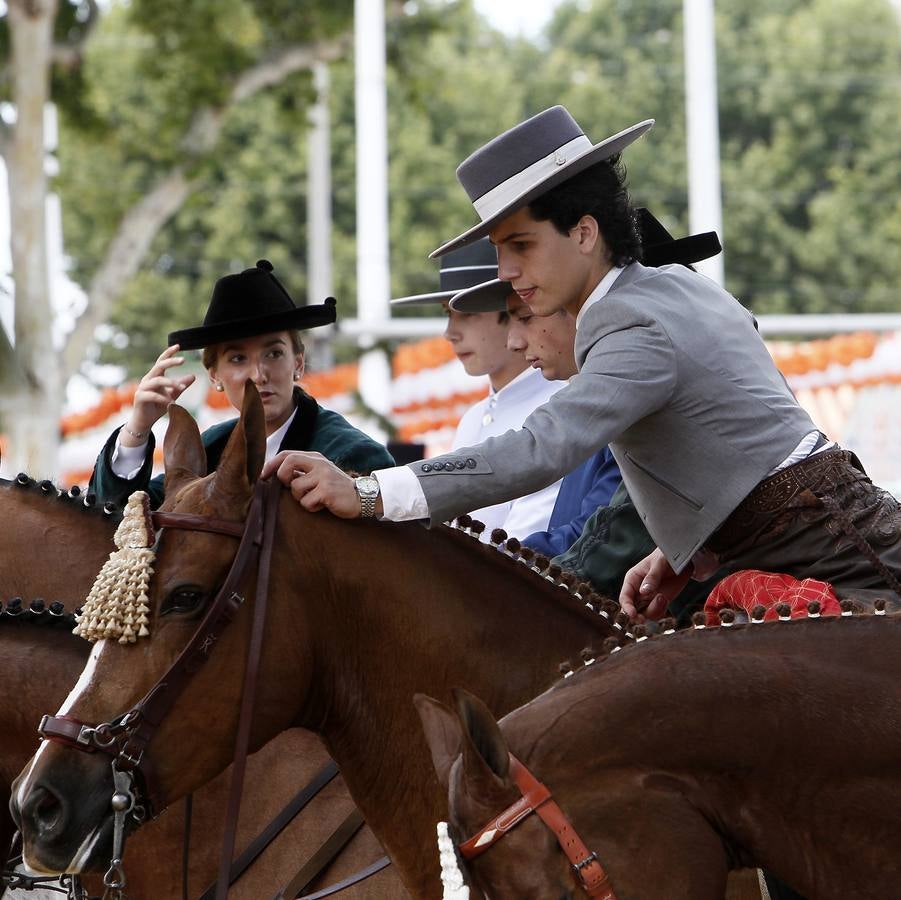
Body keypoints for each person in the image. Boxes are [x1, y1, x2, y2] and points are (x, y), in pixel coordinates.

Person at [264, 106, 901, 624]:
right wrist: (692, 545)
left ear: (586, 233)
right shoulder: (672, 283)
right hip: (817, 534)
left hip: (833, 551)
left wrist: (369, 492)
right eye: (498, 250)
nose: (506, 272)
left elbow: (541, 448)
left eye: (520, 246)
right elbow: (749, 432)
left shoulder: (627, 320)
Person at [89, 259, 394, 509]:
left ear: (298, 363)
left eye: (274, 353)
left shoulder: (353, 454)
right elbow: (116, 517)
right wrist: (138, 429)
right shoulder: (208, 450)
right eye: (237, 359)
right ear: (214, 376)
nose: (259, 374)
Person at [392, 238, 565, 538]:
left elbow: (528, 545)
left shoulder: (559, 406)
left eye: (468, 313)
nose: (450, 333)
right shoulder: (473, 418)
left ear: (516, 311)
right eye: (448, 313)